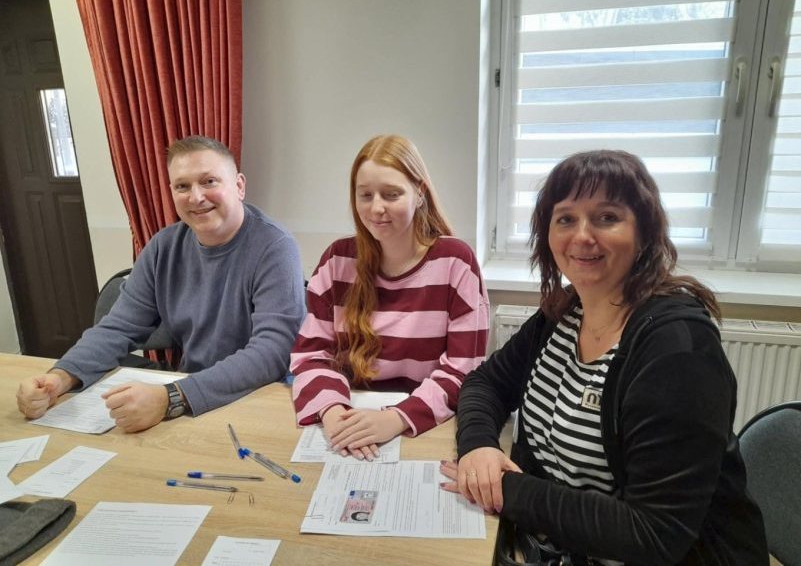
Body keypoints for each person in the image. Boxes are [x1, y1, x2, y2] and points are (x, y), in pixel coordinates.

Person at [440, 150, 768, 564]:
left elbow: (653, 533)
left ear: (644, 233)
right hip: (560, 548)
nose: (582, 236)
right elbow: (486, 382)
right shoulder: (564, 312)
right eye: (565, 219)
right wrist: (478, 448)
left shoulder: (677, 350)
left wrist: (505, 490)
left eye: (607, 217)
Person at [15, 135, 306, 433]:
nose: (196, 197)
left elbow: (273, 350)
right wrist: (59, 378)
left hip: (260, 399)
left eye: (209, 181)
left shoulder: (274, 247)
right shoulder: (163, 247)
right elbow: (118, 327)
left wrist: (172, 398)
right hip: (192, 393)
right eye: (182, 186)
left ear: (239, 186)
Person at [291, 134, 489, 461]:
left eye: (392, 194)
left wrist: (394, 419)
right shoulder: (337, 260)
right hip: (351, 418)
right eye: (365, 195)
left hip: (422, 424)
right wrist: (333, 413)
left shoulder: (455, 262)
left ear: (420, 193)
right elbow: (311, 355)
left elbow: (464, 371)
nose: (376, 208)